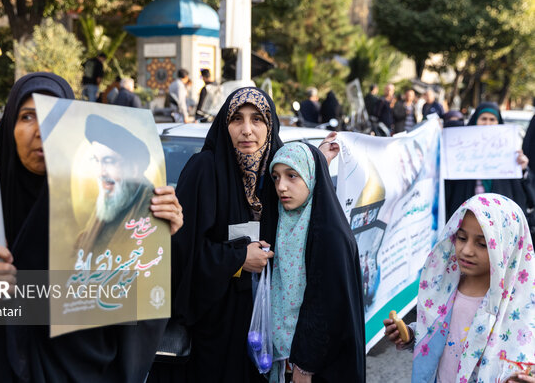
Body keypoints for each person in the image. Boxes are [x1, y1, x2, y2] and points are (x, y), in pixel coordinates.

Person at [0, 72, 183, 383]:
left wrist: (160, 236)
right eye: (27, 116)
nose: (41, 130)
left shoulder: (108, 207)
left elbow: (138, 307)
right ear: (9, 126)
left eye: (54, 117)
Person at [149, 87, 283, 382]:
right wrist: (237, 258)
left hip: (263, 329)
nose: (247, 130)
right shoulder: (204, 169)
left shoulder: (278, 176)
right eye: (237, 119)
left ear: (270, 125)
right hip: (212, 328)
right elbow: (179, 250)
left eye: (257, 119)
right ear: (225, 124)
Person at [383, 194, 535, 383]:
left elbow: (523, 357)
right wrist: (411, 335)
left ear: (507, 246)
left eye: (482, 243)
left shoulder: (521, 307)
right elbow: (439, 334)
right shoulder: (445, 287)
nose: (466, 250)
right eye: (462, 238)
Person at [268, 142, 366, 383]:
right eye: (276, 177)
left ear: (312, 177)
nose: (281, 186)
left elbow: (328, 307)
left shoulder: (330, 234)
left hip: (317, 367)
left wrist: (305, 365)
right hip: (286, 361)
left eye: (292, 176)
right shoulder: (287, 220)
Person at [74, 114, 153, 254]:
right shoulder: (109, 201)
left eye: (109, 161)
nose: (100, 173)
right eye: (97, 161)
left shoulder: (153, 207)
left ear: (134, 169)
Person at [445, 102, 531, 220]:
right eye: (483, 119)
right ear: (475, 120)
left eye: (492, 119)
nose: (487, 123)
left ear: (498, 122)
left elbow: (523, 190)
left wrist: (523, 168)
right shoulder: (461, 147)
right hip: (466, 216)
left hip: (499, 217)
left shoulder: (510, 149)